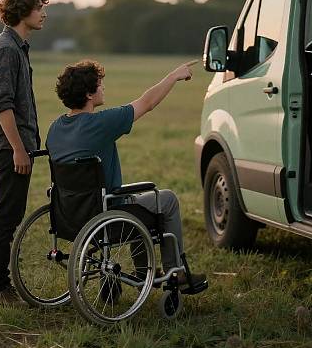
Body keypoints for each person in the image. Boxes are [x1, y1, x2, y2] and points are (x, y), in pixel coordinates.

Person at [46, 59, 206, 287]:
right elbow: (147, 102)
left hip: (69, 216)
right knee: (167, 199)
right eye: (100, 85)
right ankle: (175, 273)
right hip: (106, 216)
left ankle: (144, 272)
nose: (104, 88)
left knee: (137, 201)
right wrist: (174, 76)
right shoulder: (102, 123)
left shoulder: (55, 128)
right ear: (90, 94)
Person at [0, 0, 48, 305]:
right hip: (11, 147)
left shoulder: (16, 45)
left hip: (16, 144)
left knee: (10, 213)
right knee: (6, 216)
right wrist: (19, 148)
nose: (43, 13)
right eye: (38, 7)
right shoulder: (6, 48)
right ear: (23, 11)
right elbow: (1, 105)